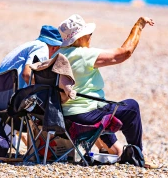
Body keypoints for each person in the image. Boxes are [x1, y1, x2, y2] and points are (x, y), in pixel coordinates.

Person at [54, 14, 157, 168]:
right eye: (88, 35)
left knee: (105, 110)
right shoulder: (82, 55)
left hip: (65, 116)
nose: (90, 37)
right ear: (80, 37)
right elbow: (124, 53)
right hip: (84, 117)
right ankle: (138, 155)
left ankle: (114, 151)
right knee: (131, 107)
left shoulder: (57, 55)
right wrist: (139, 26)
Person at [0, 25, 63, 89]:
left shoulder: (30, 45)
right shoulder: (43, 47)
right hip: (8, 94)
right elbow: (27, 75)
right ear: (54, 48)